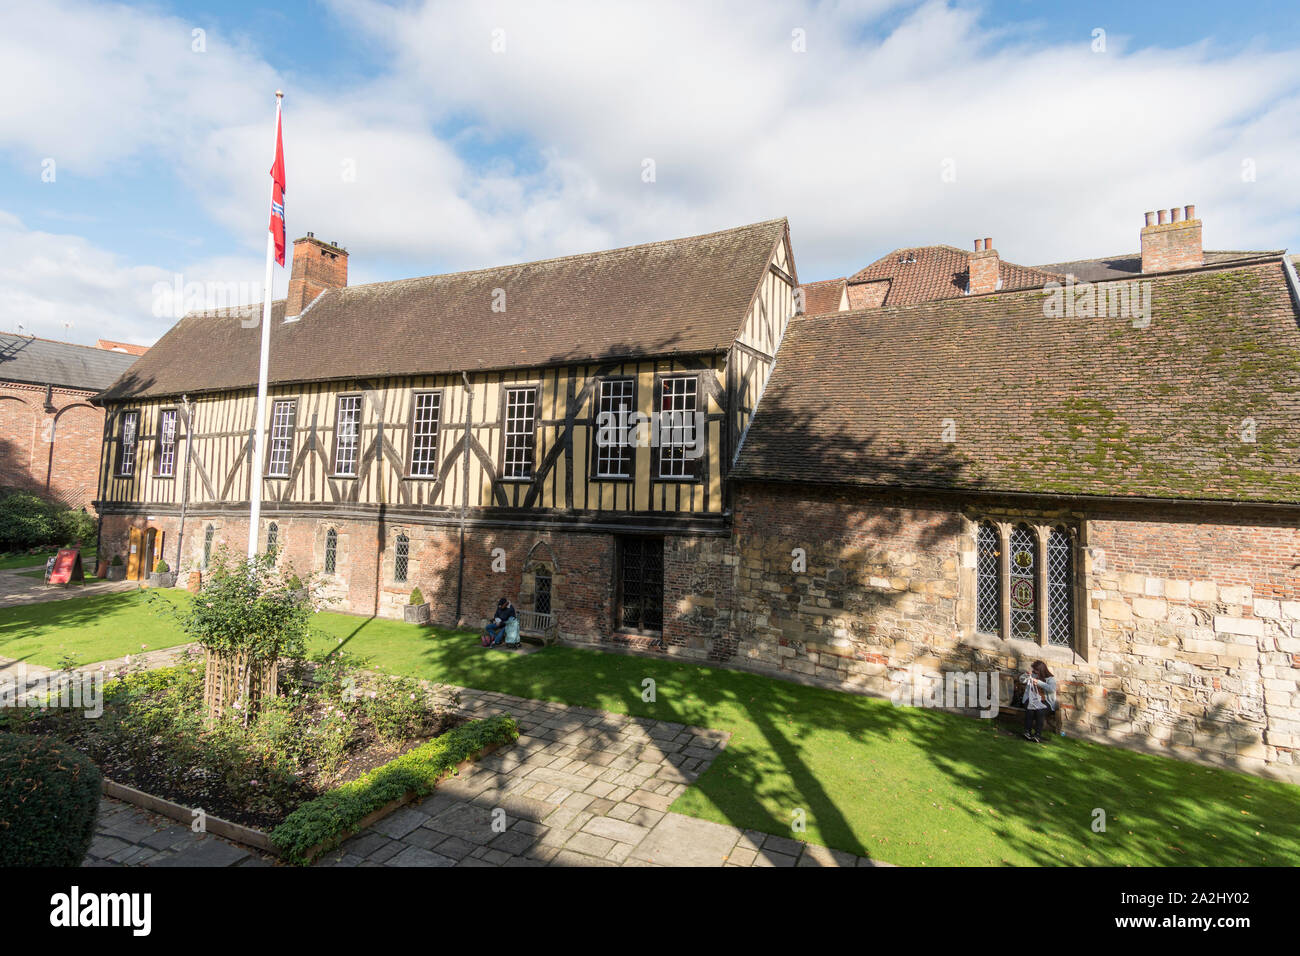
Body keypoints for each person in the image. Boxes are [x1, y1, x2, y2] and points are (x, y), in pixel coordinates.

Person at [1020, 660, 1057, 742]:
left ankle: (1037, 735)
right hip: (1031, 699)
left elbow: (1052, 689)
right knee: (1030, 709)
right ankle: (1027, 732)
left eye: (1036, 670)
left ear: (1041, 670)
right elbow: (1021, 680)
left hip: (1045, 702)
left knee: (1040, 711)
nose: (1034, 671)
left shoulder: (1050, 679)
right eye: (1033, 670)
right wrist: (1026, 675)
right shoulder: (1033, 675)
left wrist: (1039, 683)